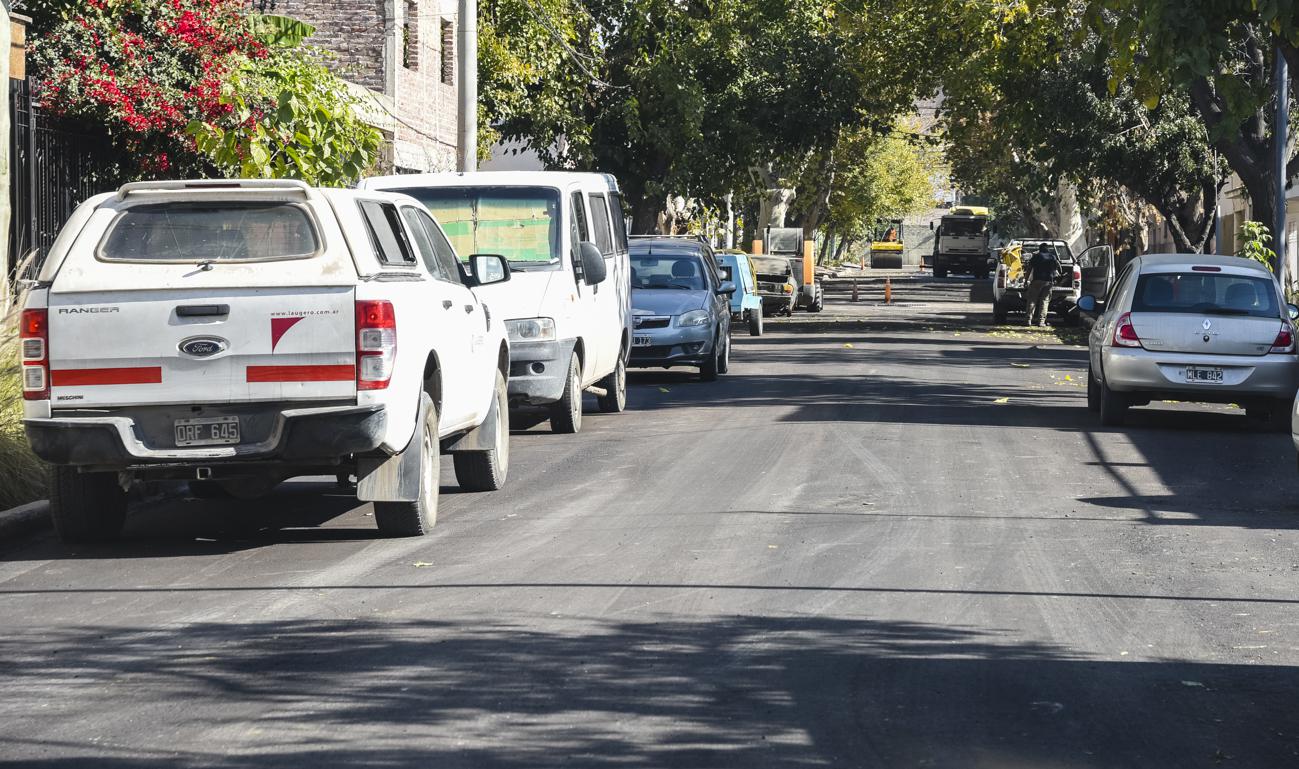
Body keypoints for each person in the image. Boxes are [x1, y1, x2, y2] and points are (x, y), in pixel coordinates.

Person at [1023, 243, 1059, 327]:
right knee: (1044, 301)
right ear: (1048, 249)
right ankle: (1041, 322)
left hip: (1037, 281)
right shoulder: (1052, 257)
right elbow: (1056, 270)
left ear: (1040, 249)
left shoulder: (1036, 256)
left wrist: (1026, 280)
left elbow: (1029, 269)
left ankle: (1028, 320)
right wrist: (1054, 280)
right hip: (1048, 282)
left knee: (1032, 300)